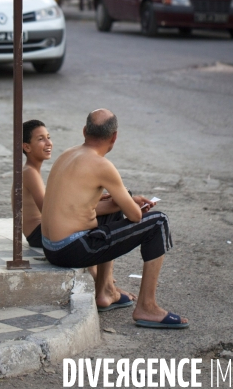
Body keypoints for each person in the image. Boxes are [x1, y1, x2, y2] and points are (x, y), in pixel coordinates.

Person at [42, 109, 188, 329]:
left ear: (84, 131)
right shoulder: (102, 165)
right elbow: (135, 215)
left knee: (119, 199)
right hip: (72, 249)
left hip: (51, 248)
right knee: (158, 222)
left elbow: (76, 207)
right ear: (114, 137)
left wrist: (122, 200)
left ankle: (105, 291)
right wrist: (131, 203)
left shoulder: (68, 154)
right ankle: (147, 307)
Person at [15, 119, 53, 248]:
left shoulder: (31, 170)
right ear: (27, 147)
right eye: (41, 139)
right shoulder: (29, 172)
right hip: (38, 234)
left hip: (39, 231)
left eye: (48, 137)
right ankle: (95, 269)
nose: (49, 143)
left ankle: (93, 269)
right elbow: (47, 210)